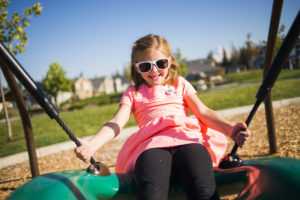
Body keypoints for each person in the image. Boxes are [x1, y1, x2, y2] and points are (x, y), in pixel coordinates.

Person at [75, 34, 251, 200]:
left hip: (187, 140)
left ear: (170, 62)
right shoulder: (133, 93)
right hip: (151, 146)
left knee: (204, 189)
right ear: (136, 68)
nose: (154, 71)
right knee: (151, 193)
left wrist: (230, 129)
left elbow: (203, 112)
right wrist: (92, 144)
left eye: (160, 63)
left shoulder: (180, 84)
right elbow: (116, 122)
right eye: (145, 66)